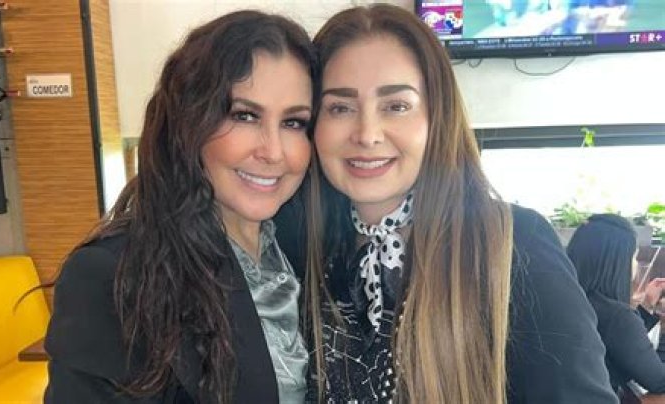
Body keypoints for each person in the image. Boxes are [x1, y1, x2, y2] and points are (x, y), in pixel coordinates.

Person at [275, 4, 618, 403]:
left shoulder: (510, 242)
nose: (367, 134)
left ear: (437, 117)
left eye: (396, 106)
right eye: (340, 107)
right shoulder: (302, 246)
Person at [44, 10, 315, 403]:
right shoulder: (115, 274)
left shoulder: (304, 248)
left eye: (293, 123)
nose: (273, 151)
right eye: (244, 116)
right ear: (189, 122)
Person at [567, 214, 665, 396]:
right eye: (634, 257)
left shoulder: (572, 301)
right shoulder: (616, 316)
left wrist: (646, 306)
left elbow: (619, 342)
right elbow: (658, 380)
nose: (635, 264)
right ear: (617, 262)